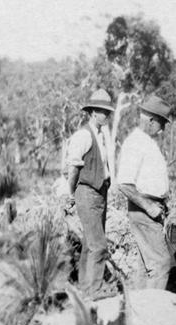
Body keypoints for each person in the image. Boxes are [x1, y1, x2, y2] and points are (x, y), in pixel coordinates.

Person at [116, 96, 176, 294]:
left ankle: (138, 311)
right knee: (161, 263)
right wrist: (148, 206)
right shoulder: (135, 143)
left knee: (146, 266)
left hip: (152, 209)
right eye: (161, 123)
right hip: (144, 210)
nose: (163, 129)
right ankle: (153, 316)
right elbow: (123, 183)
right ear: (150, 120)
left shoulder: (146, 142)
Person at [66, 89, 114, 297]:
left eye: (108, 112)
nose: (107, 115)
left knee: (90, 242)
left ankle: (85, 288)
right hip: (87, 192)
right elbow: (74, 166)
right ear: (94, 112)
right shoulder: (84, 135)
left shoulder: (101, 135)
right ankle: (94, 289)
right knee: (98, 245)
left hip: (100, 193)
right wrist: (71, 192)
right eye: (103, 111)